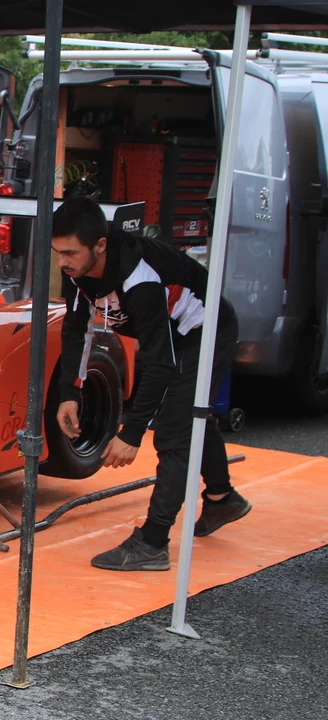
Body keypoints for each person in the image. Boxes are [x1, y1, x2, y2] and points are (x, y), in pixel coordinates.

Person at [51, 197, 251, 572]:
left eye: (70, 253)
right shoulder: (78, 270)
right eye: (58, 252)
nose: (63, 262)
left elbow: (160, 364)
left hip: (204, 331)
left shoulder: (140, 280)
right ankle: (223, 498)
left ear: (100, 245)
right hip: (169, 336)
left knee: (174, 432)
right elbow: (76, 330)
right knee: (189, 418)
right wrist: (70, 393)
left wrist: (131, 433)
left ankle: (153, 543)